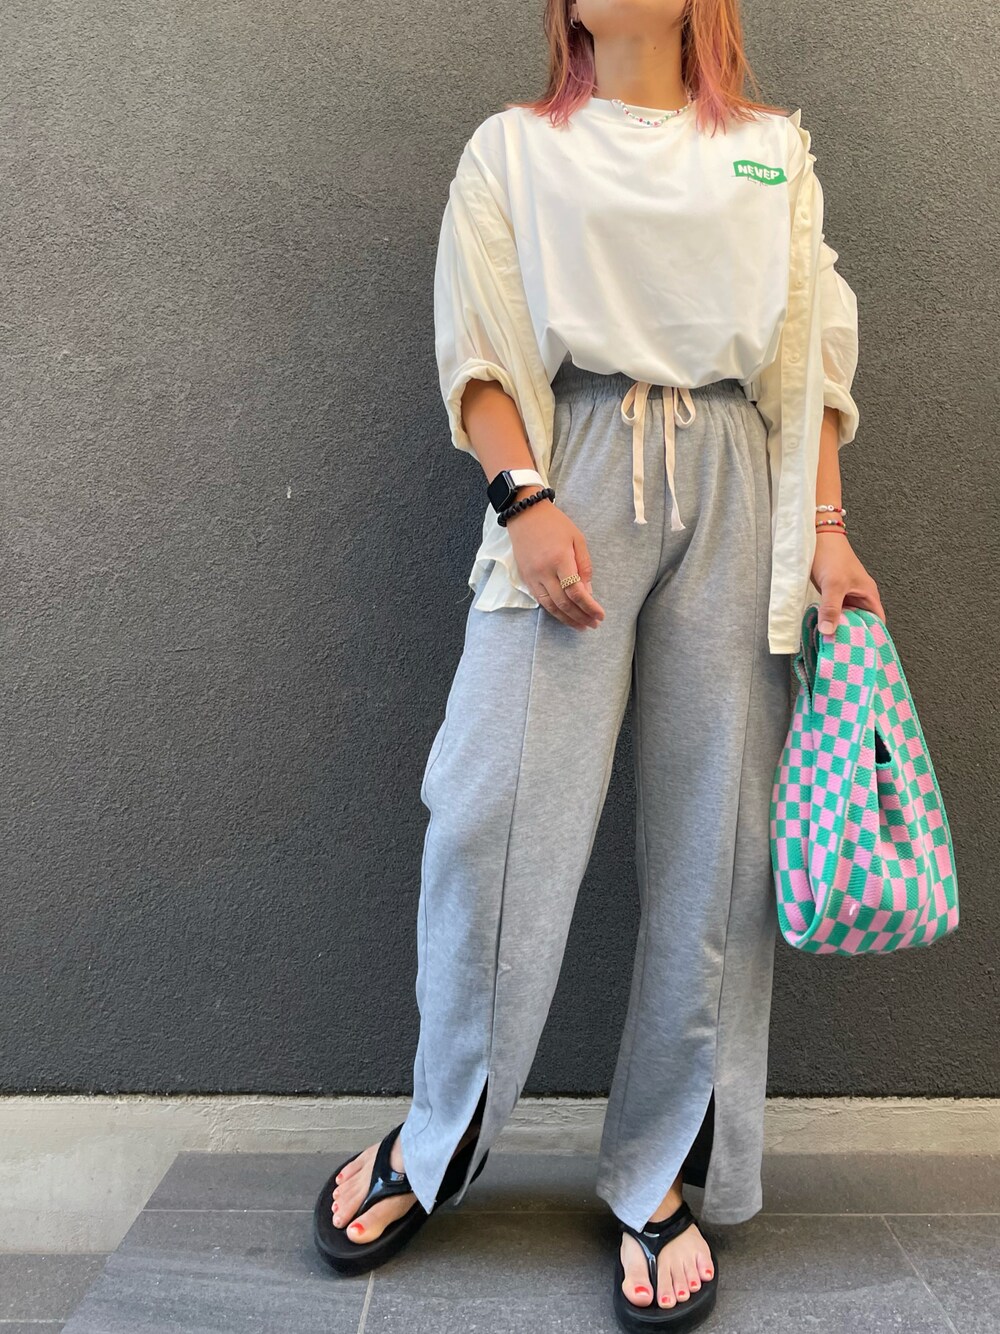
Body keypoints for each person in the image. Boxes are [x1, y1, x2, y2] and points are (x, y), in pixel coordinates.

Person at [313, 0, 886, 1328]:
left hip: (737, 475)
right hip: (571, 466)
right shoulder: (514, 148)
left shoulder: (770, 151)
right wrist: (523, 498)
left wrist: (828, 530)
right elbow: (481, 332)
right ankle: (437, 1137)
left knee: (718, 842)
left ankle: (657, 1170)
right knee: (489, 812)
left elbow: (807, 351)